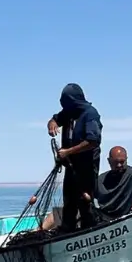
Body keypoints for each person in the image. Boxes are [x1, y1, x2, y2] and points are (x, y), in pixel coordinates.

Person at [44, 83, 102, 233]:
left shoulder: (90, 114)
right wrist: (52, 124)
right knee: (69, 199)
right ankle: (67, 228)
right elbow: (55, 118)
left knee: (85, 199)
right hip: (71, 165)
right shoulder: (69, 112)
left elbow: (93, 141)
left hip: (87, 167)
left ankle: (88, 229)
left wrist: (68, 151)